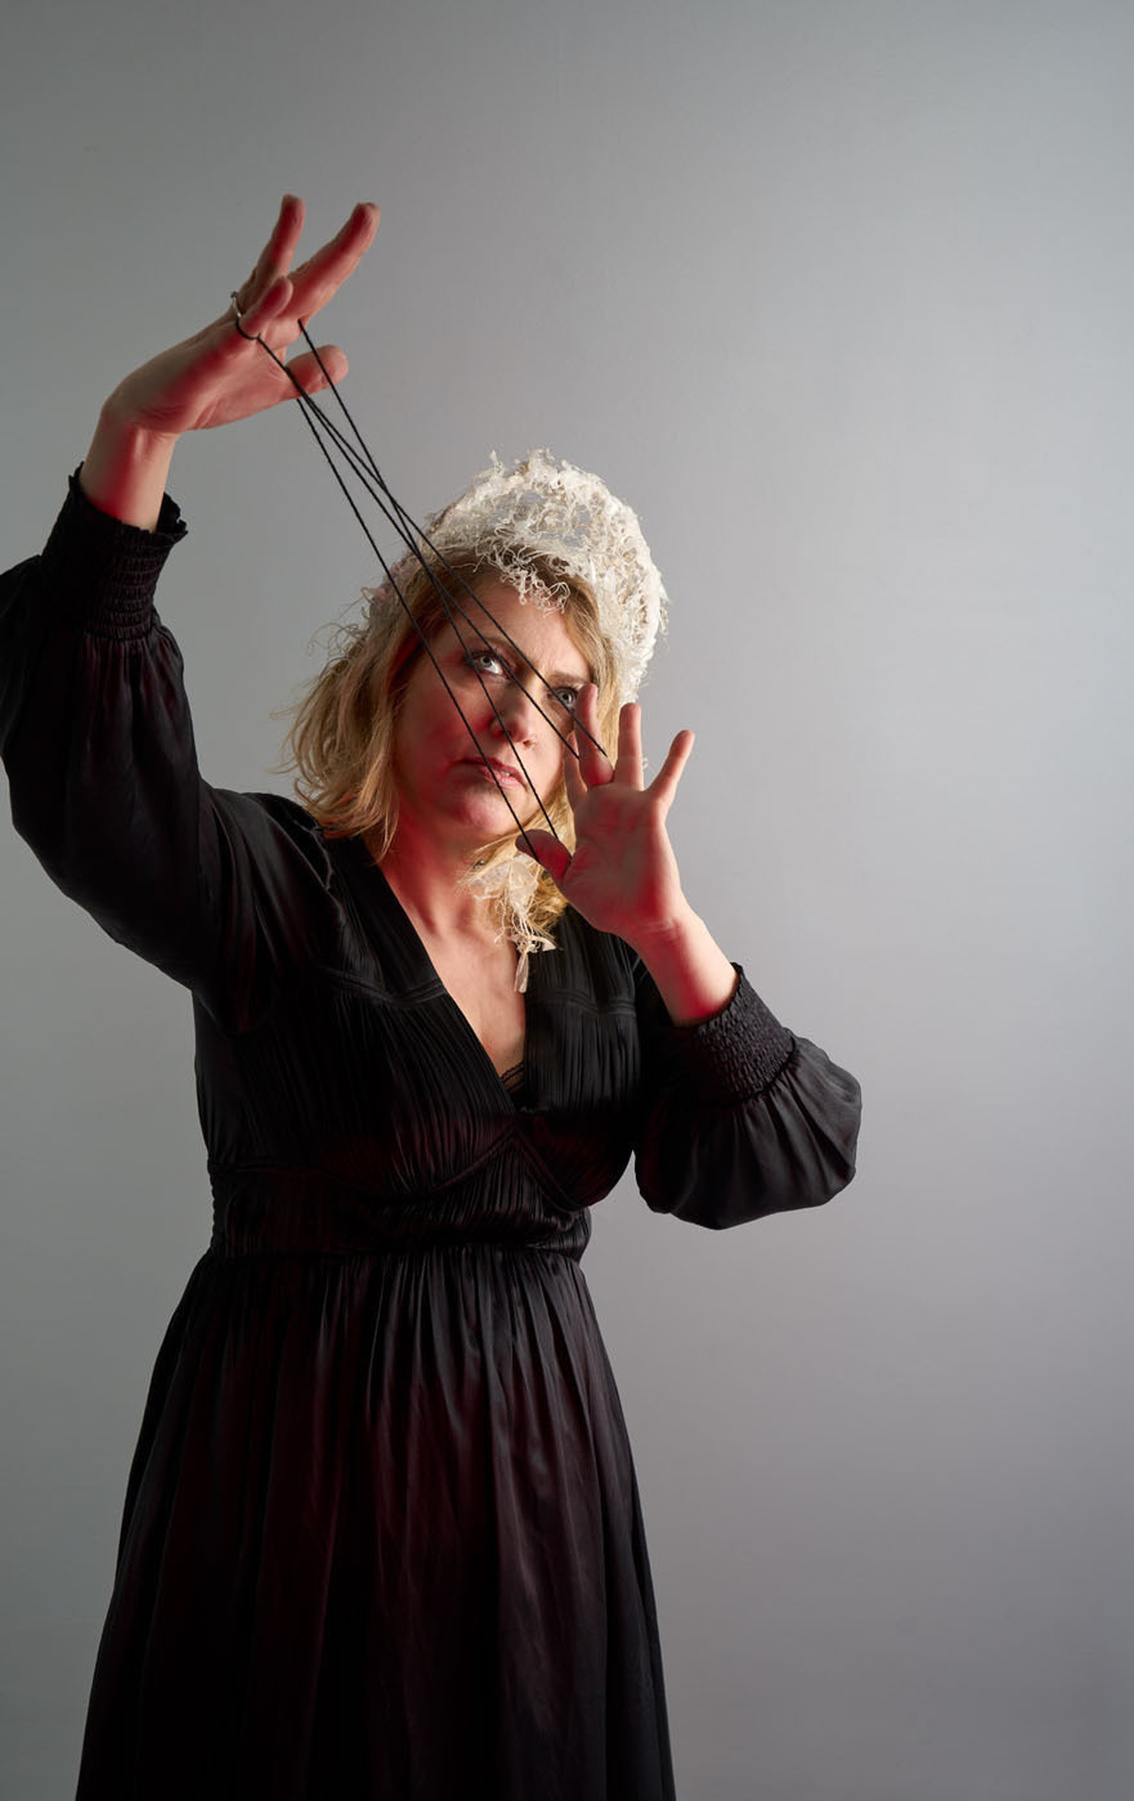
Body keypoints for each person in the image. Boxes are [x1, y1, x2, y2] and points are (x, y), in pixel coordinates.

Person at [0, 195, 861, 1801]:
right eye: (478, 661)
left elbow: (795, 1151)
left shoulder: (605, 959)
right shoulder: (275, 890)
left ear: (589, 742)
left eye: (558, 694)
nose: (512, 714)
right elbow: (88, 784)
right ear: (394, 676)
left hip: (540, 1498)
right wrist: (144, 427)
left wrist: (670, 931)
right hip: (293, 1479)